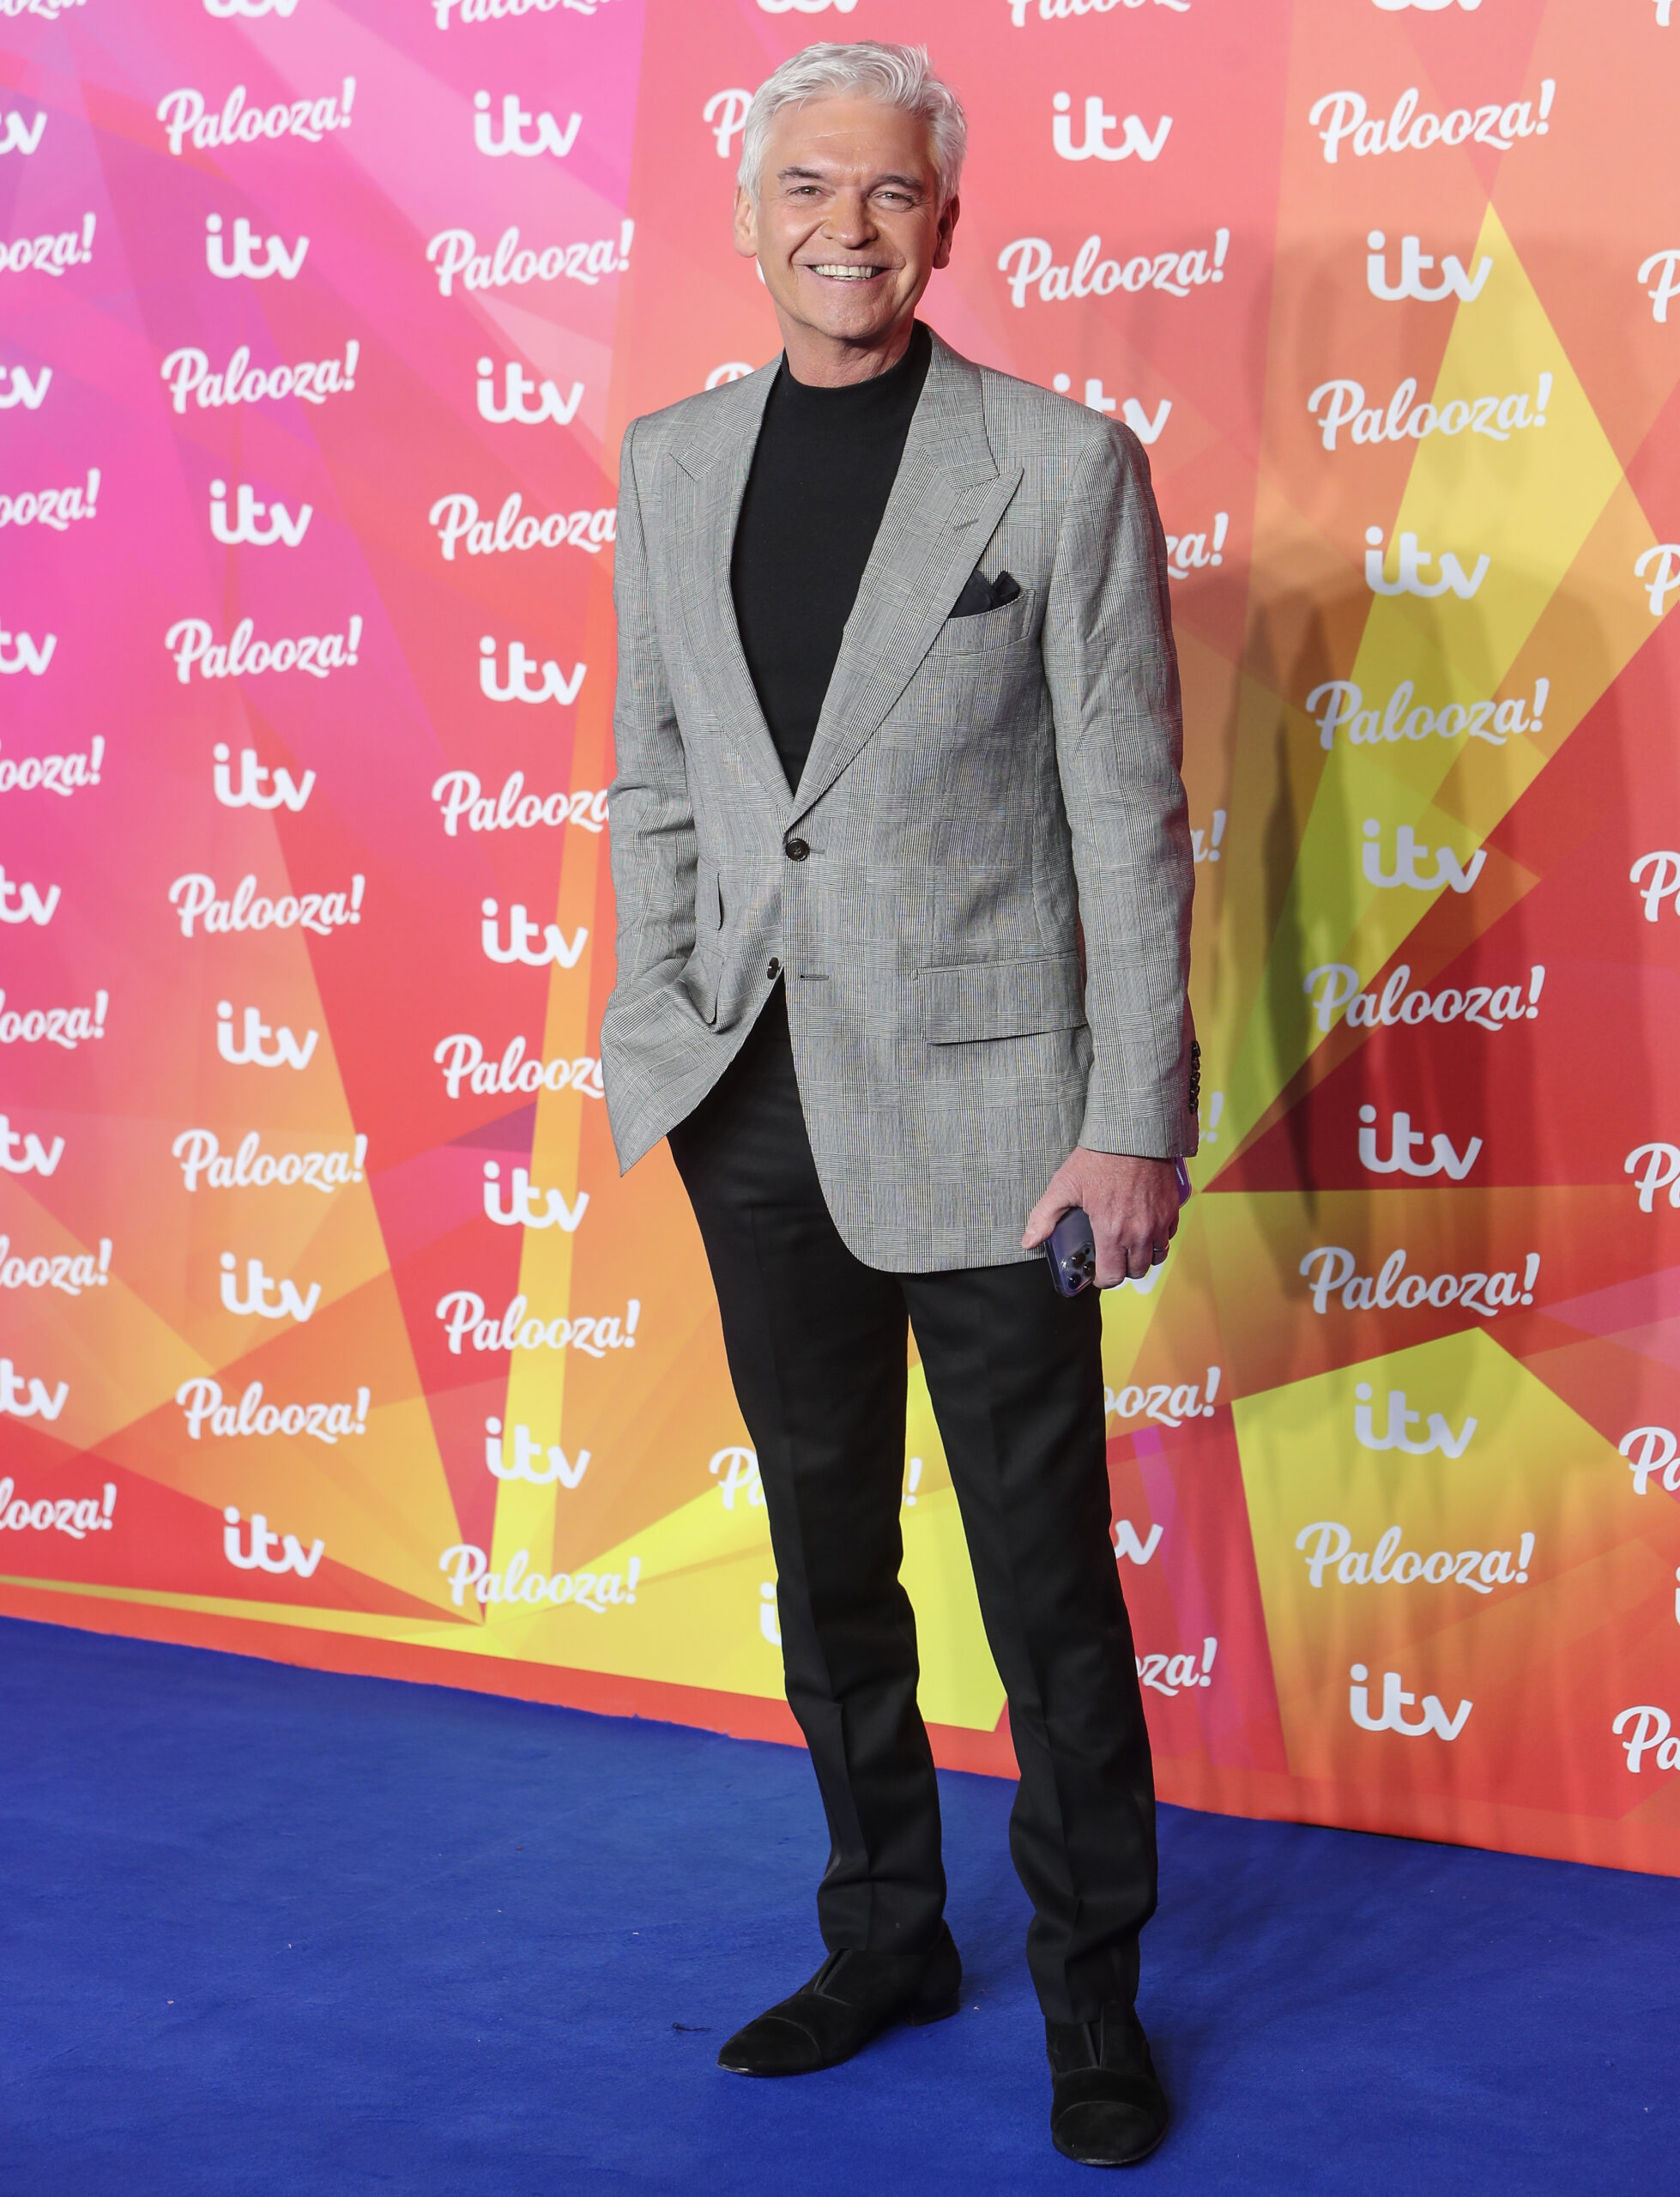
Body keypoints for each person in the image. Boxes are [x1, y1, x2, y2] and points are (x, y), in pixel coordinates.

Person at [601, 40, 1198, 2169]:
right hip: (746, 1097)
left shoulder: (1054, 463)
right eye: (805, 189)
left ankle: (1089, 1994)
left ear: (946, 223)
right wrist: (653, 1025)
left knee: (1045, 1582)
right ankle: (884, 1932)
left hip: (1002, 1114)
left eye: (887, 194)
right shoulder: (665, 462)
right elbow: (657, 775)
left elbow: (1124, 816)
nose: (842, 228)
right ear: (747, 214)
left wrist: (1133, 1114)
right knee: (825, 1559)